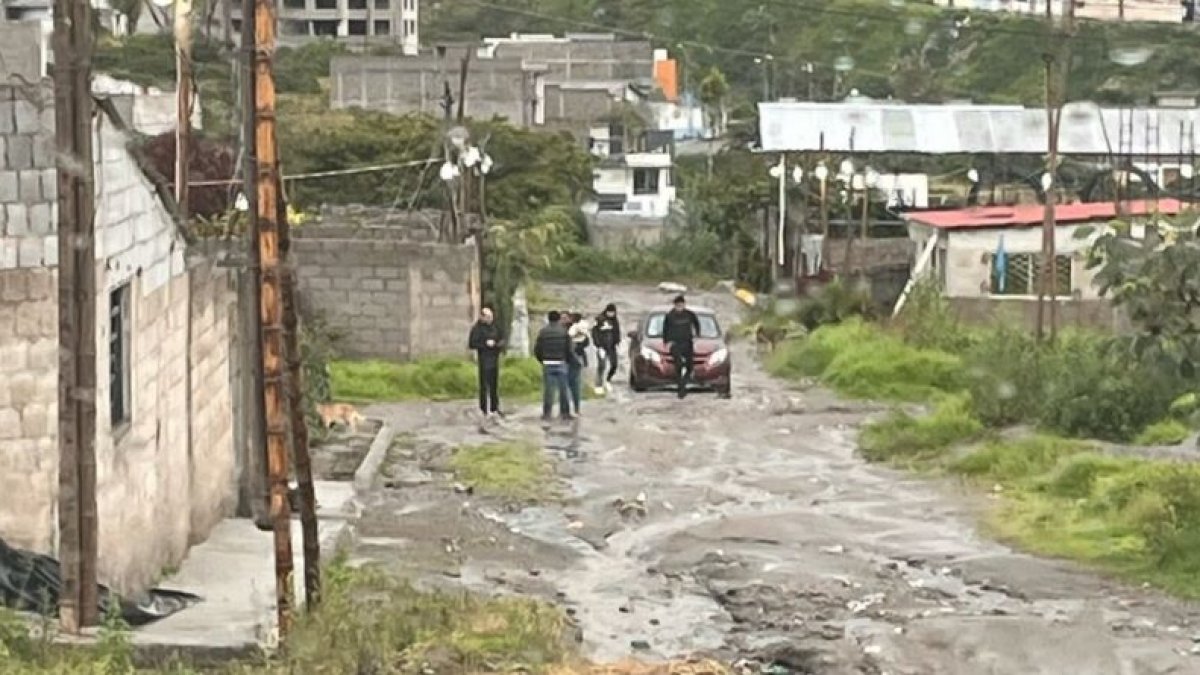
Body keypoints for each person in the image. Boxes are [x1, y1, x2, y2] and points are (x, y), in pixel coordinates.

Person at [534, 310, 573, 421]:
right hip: (561, 362)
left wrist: (542, 360)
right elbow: (569, 349)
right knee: (563, 389)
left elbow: (537, 349)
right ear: (558, 319)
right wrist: (567, 360)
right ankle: (565, 413)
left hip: (547, 363)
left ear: (548, 318)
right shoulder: (564, 332)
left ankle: (547, 413)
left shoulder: (543, 332)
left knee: (548, 390)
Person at [467, 306, 504, 419]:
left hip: (494, 359)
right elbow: (472, 344)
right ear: (482, 317)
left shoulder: (495, 327)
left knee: (494, 385)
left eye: (491, 317)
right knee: (483, 386)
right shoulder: (477, 329)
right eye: (488, 317)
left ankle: (494, 407)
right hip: (484, 359)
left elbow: (502, 339)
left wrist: (497, 345)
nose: (490, 319)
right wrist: (485, 344)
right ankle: (483, 408)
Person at [663, 294, 701, 399]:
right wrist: (667, 342)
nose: (679, 307)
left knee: (690, 367)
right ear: (674, 305)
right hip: (675, 344)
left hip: (687, 342)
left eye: (681, 305)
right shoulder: (669, 316)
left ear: (684, 304)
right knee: (678, 365)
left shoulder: (689, 314)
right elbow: (665, 329)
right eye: (677, 305)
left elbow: (697, 324)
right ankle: (681, 389)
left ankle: (683, 384)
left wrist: (697, 335)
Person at [591, 303, 620, 393]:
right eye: (610, 312)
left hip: (612, 347)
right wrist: (598, 345)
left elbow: (617, 331)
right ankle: (598, 385)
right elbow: (594, 332)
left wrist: (617, 340)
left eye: (613, 312)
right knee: (602, 366)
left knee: (614, 364)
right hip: (602, 347)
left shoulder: (615, 320)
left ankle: (607, 380)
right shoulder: (599, 319)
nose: (611, 314)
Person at [567, 312, 590, 415]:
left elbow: (586, 341)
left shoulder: (577, 328)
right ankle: (567, 409)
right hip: (565, 360)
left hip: (575, 358)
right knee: (567, 385)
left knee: (575, 384)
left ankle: (575, 409)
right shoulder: (564, 329)